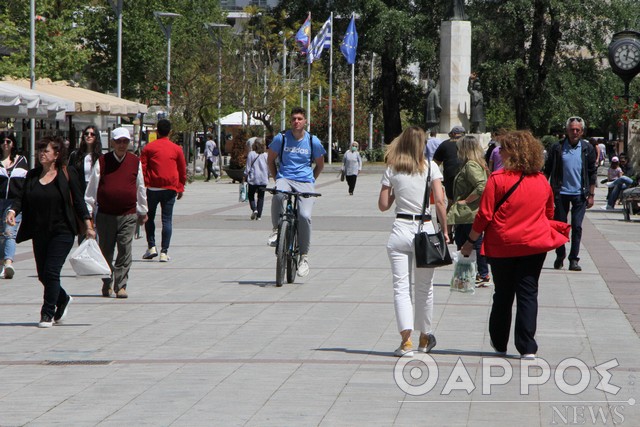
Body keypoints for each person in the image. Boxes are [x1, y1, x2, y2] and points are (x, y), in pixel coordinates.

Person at [461, 130, 569, 360]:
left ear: (515, 152)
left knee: (503, 293)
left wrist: (470, 241)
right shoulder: (541, 180)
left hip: (503, 244)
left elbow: (484, 215)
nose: (499, 151)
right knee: (528, 293)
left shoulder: (497, 179)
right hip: (533, 245)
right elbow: (549, 212)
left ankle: (500, 342)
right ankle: (527, 346)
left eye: (504, 147)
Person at [7, 136, 95, 328]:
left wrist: (88, 225)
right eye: (40, 150)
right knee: (42, 275)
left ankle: (47, 313)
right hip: (39, 231)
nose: (41, 154)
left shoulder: (67, 173)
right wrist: (13, 211)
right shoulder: (32, 175)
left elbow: (79, 201)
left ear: (56, 154)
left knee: (52, 271)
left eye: (45, 150)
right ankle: (62, 298)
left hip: (62, 232)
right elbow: (20, 198)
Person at [378, 126, 449, 357]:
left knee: (401, 287)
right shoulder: (431, 168)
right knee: (425, 288)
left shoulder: (392, 169)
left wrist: (397, 191)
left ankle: (405, 342)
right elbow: (439, 201)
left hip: (400, 229)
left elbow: (383, 205)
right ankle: (424, 338)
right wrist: (445, 231)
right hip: (425, 229)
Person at [85, 127, 148, 299]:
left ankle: (121, 285)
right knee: (106, 250)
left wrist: (143, 210)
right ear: (112, 142)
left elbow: (140, 186)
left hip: (128, 213)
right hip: (106, 214)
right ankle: (107, 282)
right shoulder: (103, 161)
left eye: (125, 141)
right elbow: (92, 189)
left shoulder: (135, 161)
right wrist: (89, 213)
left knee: (125, 249)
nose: (122, 145)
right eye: (118, 141)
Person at [267, 107, 326, 277]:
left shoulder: (313, 141)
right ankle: (277, 230)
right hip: (285, 178)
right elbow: (270, 160)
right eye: (293, 118)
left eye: (300, 118)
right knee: (277, 194)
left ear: (305, 121)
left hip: (305, 180)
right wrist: (277, 178)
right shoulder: (282, 138)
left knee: (305, 216)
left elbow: (320, 165)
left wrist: (311, 180)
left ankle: (304, 257)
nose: (296, 121)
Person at [544, 116, 597, 272]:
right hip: (560, 192)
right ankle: (560, 255)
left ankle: (573, 259)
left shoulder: (587, 149)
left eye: (577, 130)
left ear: (582, 132)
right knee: (560, 226)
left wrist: (591, 194)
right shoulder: (557, 148)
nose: (574, 132)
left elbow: (592, 172)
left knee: (577, 226)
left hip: (580, 193)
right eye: (572, 129)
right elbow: (547, 170)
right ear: (567, 131)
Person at [140, 119, 187, 262]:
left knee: (150, 217)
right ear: (170, 132)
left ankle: (152, 246)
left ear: (157, 131)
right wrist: (180, 187)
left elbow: (142, 168)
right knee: (167, 220)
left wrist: (145, 184)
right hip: (170, 188)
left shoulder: (148, 148)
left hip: (153, 187)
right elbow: (182, 169)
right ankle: (164, 252)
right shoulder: (176, 149)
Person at [447, 135, 491, 286]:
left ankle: (481, 274)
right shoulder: (472, 164)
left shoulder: (471, 165)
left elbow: (482, 186)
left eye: (459, 148)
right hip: (467, 213)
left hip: (470, 213)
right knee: (466, 243)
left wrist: (466, 200)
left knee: (473, 243)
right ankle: (467, 275)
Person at [0, 132, 28, 279]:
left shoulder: (21, 160)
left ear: (13, 144)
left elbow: (25, 184)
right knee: (0, 234)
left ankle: (8, 263)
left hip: (14, 203)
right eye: (3, 141)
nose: (5, 144)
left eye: (9, 141)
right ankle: (1, 264)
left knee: (9, 232)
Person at [68, 125, 102, 243]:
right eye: (86, 134)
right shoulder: (75, 155)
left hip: (96, 194)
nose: (89, 136)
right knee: (83, 224)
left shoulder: (100, 157)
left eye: (92, 134)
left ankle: (95, 251)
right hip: (80, 193)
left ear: (96, 137)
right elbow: (71, 175)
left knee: (96, 225)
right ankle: (84, 251)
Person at [433, 125, 465, 205]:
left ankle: (448, 217)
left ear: (453, 134)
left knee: (451, 202)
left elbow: (435, 163)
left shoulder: (445, 144)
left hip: (450, 175)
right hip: (466, 175)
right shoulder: (468, 143)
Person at [244, 138, 268, 220]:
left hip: (253, 178)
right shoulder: (266, 155)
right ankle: (259, 216)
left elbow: (248, 167)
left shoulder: (251, 154)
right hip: (263, 179)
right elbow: (268, 167)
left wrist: (245, 175)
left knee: (251, 195)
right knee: (261, 197)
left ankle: (254, 209)